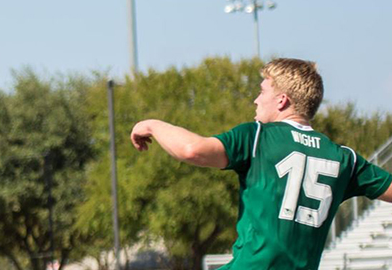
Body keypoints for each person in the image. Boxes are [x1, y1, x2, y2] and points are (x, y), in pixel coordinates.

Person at [130, 58, 392, 269]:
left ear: (282, 100)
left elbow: (192, 150)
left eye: (262, 90)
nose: (256, 99)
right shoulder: (345, 158)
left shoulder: (257, 136)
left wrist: (152, 124)